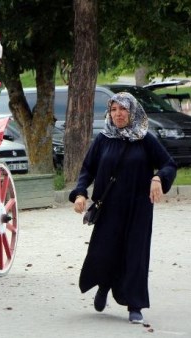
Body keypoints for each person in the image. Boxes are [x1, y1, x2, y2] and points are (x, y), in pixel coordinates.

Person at [69, 92, 177, 324]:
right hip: (108, 207)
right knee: (105, 251)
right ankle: (103, 286)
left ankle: (135, 305)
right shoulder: (103, 139)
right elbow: (87, 169)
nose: (118, 114)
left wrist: (159, 179)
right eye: (114, 109)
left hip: (138, 208)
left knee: (135, 255)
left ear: (133, 111)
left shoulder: (145, 139)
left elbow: (169, 164)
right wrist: (80, 193)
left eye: (123, 110)